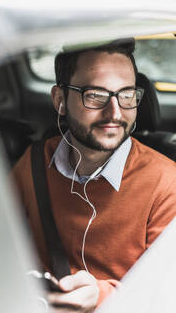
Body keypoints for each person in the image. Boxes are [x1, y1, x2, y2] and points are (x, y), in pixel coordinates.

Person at [12, 39, 176, 312]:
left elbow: (166, 295)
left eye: (126, 95)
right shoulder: (33, 161)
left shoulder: (166, 183)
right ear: (60, 101)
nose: (115, 113)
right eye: (96, 95)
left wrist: (99, 296)